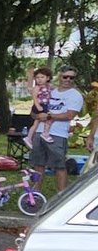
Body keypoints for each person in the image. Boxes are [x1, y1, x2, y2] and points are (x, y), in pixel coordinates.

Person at [29, 65, 85, 194]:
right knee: (38, 164)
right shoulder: (48, 90)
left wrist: (48, 116)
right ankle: (35, 194)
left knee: (59, 166)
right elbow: (33, 112)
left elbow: (70, 115)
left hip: (58, 135)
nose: (68, 80)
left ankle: (62, 195)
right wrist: (38, 116)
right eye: (65, 76)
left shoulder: (75, 95)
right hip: (39, 132)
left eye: (72, 78)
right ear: (60, 76)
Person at [24, 67, 54, 146]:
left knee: (36, 123)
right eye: (37, 77)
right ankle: (45, 133)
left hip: (45, 105)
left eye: (42, 77)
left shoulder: (48, 86)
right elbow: (34, 97)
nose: (39, 79)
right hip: (40, 106)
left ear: (47, 78)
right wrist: (38, 106)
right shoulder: (37, 87)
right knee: (49, 118)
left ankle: (29, 137)